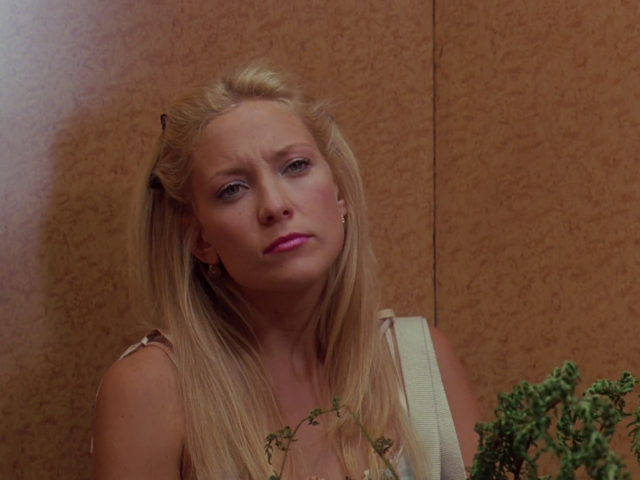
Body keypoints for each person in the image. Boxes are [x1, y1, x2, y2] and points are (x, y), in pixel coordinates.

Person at [92, 62, 481, 480]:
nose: (275, 205)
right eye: (232, 189)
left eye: (295, 166)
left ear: (340, 193)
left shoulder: (420, 362)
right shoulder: (150, 389)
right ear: (200, 239)